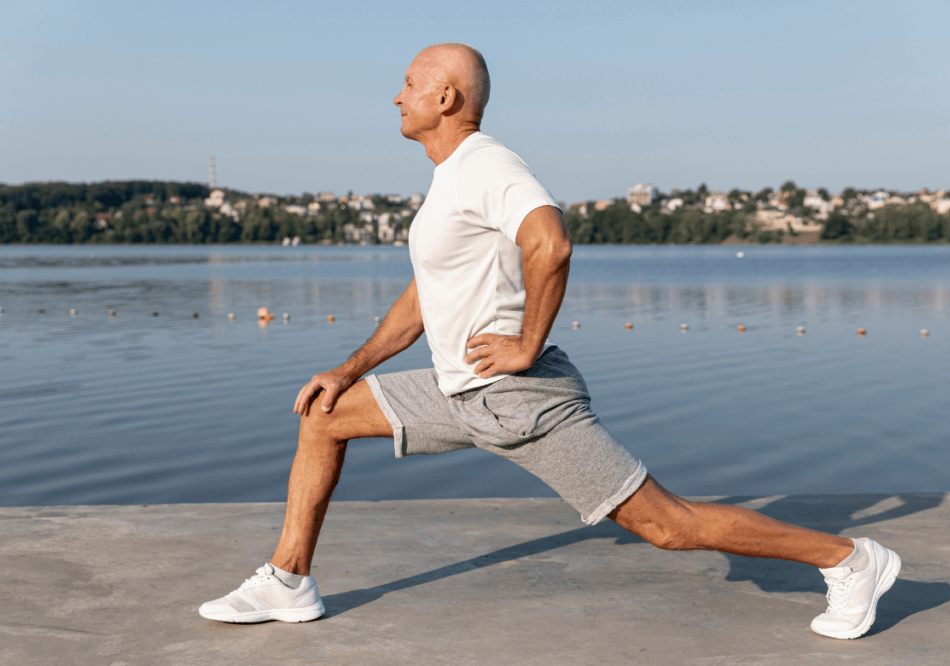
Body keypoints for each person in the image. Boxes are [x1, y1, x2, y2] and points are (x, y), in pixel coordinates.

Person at [199, 43, 900, 640]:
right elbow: (422, 301)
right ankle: (288, 581)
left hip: (516, 397)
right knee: (324, 415)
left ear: (445, 97)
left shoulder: (486, 165)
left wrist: (527, 345)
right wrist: (346, 367)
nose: (396, 98)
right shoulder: (449, 181)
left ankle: (848, 560)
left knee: (666, 524)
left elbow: (551, 243)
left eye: (409, 85)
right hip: (458, 389)